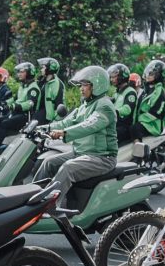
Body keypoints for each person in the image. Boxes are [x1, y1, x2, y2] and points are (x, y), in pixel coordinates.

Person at [33, 66, 117, 207]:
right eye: (80, 85)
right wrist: (43, 128)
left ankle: (49, 207)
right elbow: (66, 122)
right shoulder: (85, 105)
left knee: (68, 168)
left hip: (102, 157)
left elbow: (90, 125)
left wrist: (64, 133)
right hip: (81, 153)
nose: (81, 89)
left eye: (85, 85)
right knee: (49, 162)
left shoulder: (104, 106)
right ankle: (31, 198)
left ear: (97, 85)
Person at [0, 62, 40, 155]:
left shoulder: (33, 88)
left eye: (22, 72)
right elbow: (14, 98)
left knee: (5, 124)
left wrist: (14, 106)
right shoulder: (22, 86)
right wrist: (4, 103)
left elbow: (30, 103)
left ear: (29, 73)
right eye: (18, 72)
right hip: (16, 113)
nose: (19, 74)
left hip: (25, 116)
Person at [130, 60, 165, 142]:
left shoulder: (159, 93)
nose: (148, 76)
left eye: (151, 74)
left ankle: (139, 147)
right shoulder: (147, 89)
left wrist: (139, 119)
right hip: (144, 122)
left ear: (159, 76)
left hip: (153, 124)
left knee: (134, 129)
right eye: (148, 73)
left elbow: (156, 113)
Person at [107, 63, 137, 145]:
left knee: (106, 137)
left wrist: (116, 111)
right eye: (111, 77)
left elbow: (127, 109)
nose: (112, 79)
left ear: (122, 76)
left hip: (125, 127)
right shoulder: (117, 92)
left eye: (114, 77)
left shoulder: (130, 92)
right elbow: (112, 102)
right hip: (116, 123)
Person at [36, 57, 65, 124]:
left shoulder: (58, 85)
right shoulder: (42, 80)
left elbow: (59, 105)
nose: (41, 70)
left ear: (49, 69)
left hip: (49, 118)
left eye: (43, 68)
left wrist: (54, 123)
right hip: (39, 112)